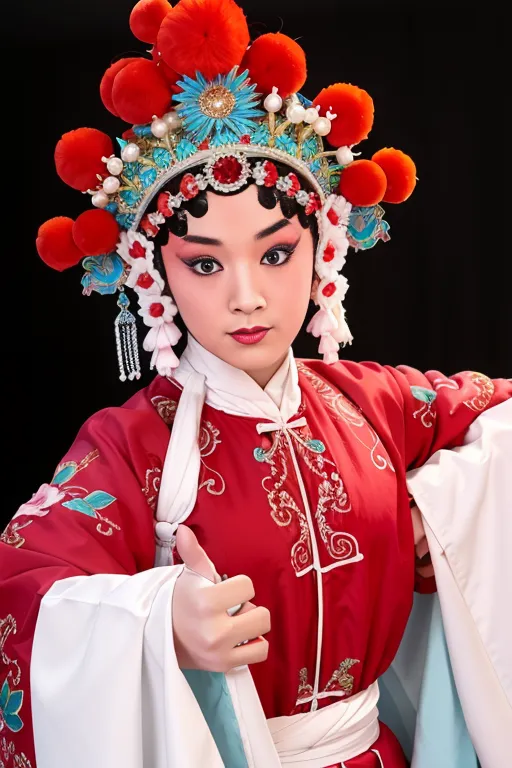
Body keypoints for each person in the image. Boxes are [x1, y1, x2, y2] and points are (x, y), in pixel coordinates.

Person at [1, 1, 510, 767]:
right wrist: (157, 619)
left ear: (323, 247)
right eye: (205, 263)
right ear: (154, 275)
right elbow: (26, 579)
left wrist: (440, 503)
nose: (247, 296)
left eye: (275, 254)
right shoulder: (132, 447)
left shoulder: (370, 402)